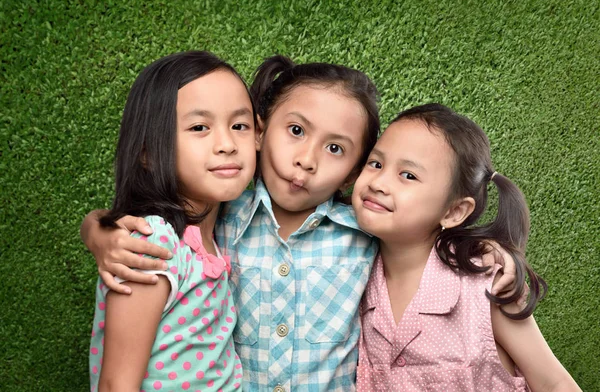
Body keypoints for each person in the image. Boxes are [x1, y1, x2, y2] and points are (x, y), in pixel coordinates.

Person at [81, 57, 519, 391]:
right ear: (260, 130)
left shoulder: (364, 232)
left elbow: (418, 232)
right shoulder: (224, 212)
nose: (306, 161)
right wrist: (100, 230)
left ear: (354, 171)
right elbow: (150, 217)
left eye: (335, 149)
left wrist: (482, 250)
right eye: (294, 131)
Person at [353, 103, 581, 391]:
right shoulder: (352, 272)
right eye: (376, 164)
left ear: (454, 212)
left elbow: (554, 382)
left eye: (408, 175)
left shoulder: (486, 285)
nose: (379, 182)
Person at [88, 50, 257, 391]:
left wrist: (93, 225)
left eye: (240, 125)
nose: (227, 144)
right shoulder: (152, 244)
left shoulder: (220, 228)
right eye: (199, 127)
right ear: (148, 152)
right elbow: (116, 385)